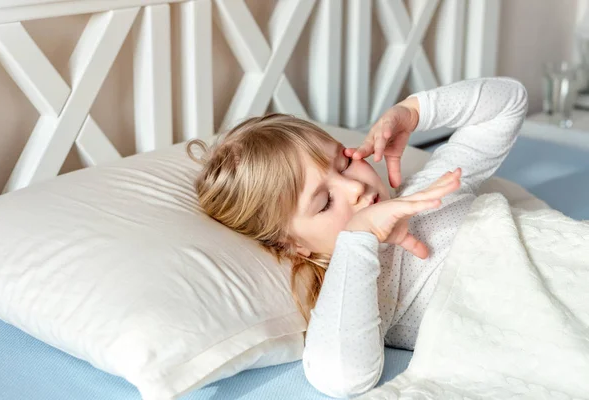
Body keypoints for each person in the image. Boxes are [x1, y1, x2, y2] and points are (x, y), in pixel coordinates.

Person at [188, 77, 528, 398]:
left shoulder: (430, 190)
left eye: (344, 163)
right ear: (295, 245)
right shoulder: (368, 290)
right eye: (324, 203)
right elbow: (339, 377)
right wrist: (358, 237)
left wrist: (413, 112)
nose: (354, 187)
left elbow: (509, 102)